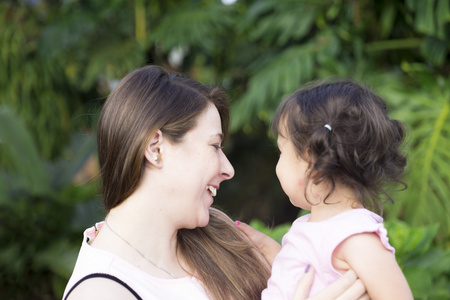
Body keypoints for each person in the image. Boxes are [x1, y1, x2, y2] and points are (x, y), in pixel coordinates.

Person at [63, 65, 368, 300]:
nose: (228, 169)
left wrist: (294, 273)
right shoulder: (99, 291)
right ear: (155, 148)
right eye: (214, 146)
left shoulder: (215, 235)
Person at [260, 79, 414, 300]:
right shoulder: (316, 227)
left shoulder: (354, 237)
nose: (278, 164)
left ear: (311, 163)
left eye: (281, 151)